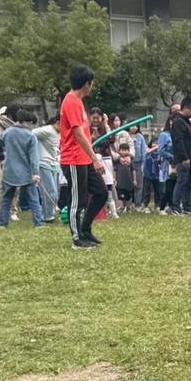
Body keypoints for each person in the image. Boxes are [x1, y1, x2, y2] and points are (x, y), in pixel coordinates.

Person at [60, 65, 109, 248]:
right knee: (78, 200)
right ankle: (77, 238)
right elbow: (78, 134)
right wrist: (95, 159)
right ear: (87, 84)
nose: (92, 87)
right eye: (92, 83)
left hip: (84, 158)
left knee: (101, 192)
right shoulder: (71, 102)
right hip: (74, 159)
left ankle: (85, 229)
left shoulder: (79, 102)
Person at [0, 109, 44, 228]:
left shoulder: (8, 132)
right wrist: (36, 173)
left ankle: (3, 223)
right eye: (32, 123)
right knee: (33, 199)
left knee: (7, 198)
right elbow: (34, 157)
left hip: (9, 171)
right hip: (26, 172)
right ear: (28, 122)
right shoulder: (30, 136)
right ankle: (38, 223)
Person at [170, 98, 191, 216]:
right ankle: (175, 207)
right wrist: (184, 158)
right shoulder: (178, 122)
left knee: (189, 184)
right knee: (182, 182)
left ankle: (187, 207)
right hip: (184, 158)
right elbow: (178, 141)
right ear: (185, 108)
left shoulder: (188, 122)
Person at [33, 116, 61, 222]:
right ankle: (47, 216)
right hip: (44, 163)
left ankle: (49, 214)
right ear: (58, 122)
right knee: (50, 191)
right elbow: (31, 134)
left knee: (55, 192)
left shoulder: (59, 133)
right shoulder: (47, 130)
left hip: (54, 164)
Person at [114, 143, 135, 212]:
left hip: (128, 181)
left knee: (128, 195)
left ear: (128, 151)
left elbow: (133, 171)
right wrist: (114, 179)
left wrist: (135, 180)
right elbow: (115, 170)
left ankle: (128, 207)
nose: (124, 152)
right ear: (119, 151)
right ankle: (121, 207)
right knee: (120, 195)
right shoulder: (117, 161)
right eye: (122, 150)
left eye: (125, 150)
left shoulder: (130, 160)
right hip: (120, 181)